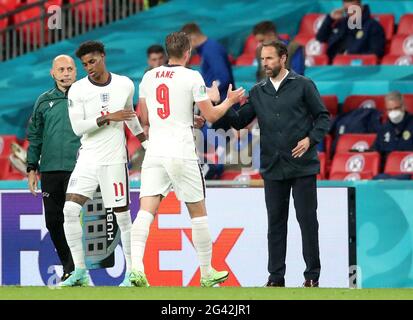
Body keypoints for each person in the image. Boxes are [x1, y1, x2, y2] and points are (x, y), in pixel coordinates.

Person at [129, 31, 245, 287]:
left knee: (145, 213)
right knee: (198, 214)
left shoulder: (148, 77)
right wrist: (230, 101)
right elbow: (213, 116)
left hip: (155, 152)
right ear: (188, 52)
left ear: (167, 51)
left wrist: (185, 118)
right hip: (181, 152)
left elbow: (145, 118)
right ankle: (206, 273)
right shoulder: (192, 76)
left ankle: (136, 268)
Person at [224, 40, 330, 287]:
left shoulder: (304, 85)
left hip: (303, 165)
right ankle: (275, 278)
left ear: (283, 58)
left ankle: (312, 277)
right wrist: (228, 104)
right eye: (262, 59)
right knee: (275, 224)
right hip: (272, 166)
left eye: (269, 58)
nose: (265, 63)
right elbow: (240, 122)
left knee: (307, 221)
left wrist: (310, 140)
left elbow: (323, 117)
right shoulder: (258, 90)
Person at [60, 41, 146, 287]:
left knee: (122, 217)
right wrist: (108, 116)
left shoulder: (125, 84)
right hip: (88, 158)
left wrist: (146, 144)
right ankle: (80, 272)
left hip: (114, 161)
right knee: (70, 211)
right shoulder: (77, 90)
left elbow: (130, 117)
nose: (89, 67)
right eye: (85, 64)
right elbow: (78, 128)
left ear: (103, 57)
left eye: (93, 61)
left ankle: (133, 273)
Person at [26, 55, 79, 282]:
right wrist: (31, 169)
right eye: (61, 70)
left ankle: (80, 266)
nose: (66, 73)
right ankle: (70, 265)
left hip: (80, 169)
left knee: (75, 218)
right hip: (49, 170)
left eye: (69, 69)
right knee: (53, 221)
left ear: (76, 72)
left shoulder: (86, 97)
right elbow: (35, 137)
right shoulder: (43, 101)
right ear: (53, 73)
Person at [181, 22, 236, 179]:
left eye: (186, 43)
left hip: (221, 106)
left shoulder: (211, 49)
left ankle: (211, 172)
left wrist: (203, 93)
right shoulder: (207, 49)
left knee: (215, 146)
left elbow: (223, 78)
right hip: (218, 105)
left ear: (191, 37)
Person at [316, 0, 385, 61]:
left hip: (355, 67)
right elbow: (320, 38)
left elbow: (376, 53)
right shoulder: (341, 23)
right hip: (332, 66)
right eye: (347, 10)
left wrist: (349, 56)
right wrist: (330, 18)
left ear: (360, 6)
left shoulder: (373, 26)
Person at [373, 91, 413, 172]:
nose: (393, 112)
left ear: (403, 106)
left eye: (396, 108)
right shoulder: (384, 129)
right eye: (389, 110)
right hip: (388, 175)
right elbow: (375, 152)